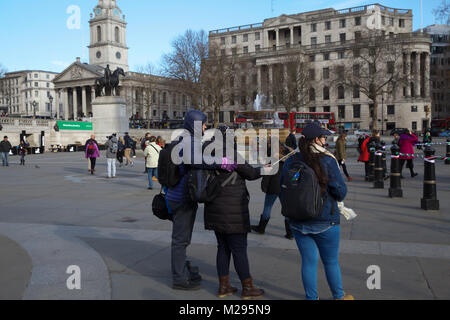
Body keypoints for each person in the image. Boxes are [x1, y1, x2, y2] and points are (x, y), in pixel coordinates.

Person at [166, 110, 237, 291]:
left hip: (177, 195)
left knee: (182, 238)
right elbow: (195, 160)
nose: (206, 127)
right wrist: (220, 162)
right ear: (195, 124)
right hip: (182, 197)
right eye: (203, 124)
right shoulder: (189, 140)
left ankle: (181, 267)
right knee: (180, 239)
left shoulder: (187, 138)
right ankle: (179, 278)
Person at [282, 123, 353, 300]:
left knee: (308, 263)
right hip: (325, 220)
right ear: (316, 139)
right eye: (324, 137)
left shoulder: (291, 159)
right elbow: (340, 191)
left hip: (298, 220)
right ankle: (339, 296)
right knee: (330, 262)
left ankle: (311, 298)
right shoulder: (327, 159)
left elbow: (284, 186)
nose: (325, 141)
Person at [204, 125, 266, 299]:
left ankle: (223, 286)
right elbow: (251, 173)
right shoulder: (230, 152)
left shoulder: (209, 152)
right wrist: (265, 169)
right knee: (239, 249)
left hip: (214, 207)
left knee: (222, 247)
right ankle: (247, 287)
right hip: (233, 209)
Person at [251, 142, 294, 239]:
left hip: (273, 185)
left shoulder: (271, 157)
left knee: (268, 207)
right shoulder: (288, 157)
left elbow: (267, 174)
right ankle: (290, 233)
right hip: (284, 185)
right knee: (286, 209)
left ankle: (261, 228)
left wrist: (264, 186)